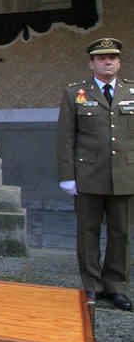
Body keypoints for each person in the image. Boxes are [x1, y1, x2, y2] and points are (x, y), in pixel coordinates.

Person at [56, 38, 133, 311]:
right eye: (102, 58)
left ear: (119, 62)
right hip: (87, 173)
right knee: (87, 232)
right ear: (92, 63)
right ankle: (92, 284)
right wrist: (67, 174)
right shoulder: (76, 92)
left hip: (125, 174)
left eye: (112, 57)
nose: (108, 62)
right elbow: (65, 137)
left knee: (121, 232)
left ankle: (116, 286)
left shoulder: (131, 92)